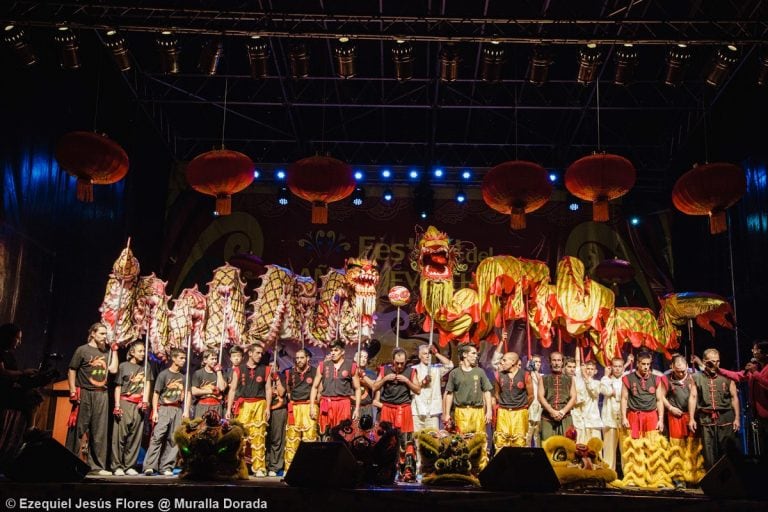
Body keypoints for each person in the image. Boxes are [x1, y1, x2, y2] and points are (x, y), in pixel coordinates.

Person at [65, 322, 119, 476]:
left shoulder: (107, 352)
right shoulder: (82, 350)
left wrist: (114, 351)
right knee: (78, 429)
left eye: (105, 333)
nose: (104, 336)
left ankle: (96, 467)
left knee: (99, 430)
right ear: (93, 334)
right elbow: (72, 370)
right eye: (101, 333)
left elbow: (113, 369)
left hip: (101, 394)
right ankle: (70, 464)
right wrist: (72, 390)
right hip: (85, 393)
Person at [372, 347, 421, 481]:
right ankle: (384, 471)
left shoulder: (411, 372)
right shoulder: (384, 370)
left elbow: (418, 390)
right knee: (385, 441)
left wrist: (407, 381)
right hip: (387, 409)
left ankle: (407, 473)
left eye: (402, 363)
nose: (400, 365)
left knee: (406, 441)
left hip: (403, 409)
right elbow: (374, 387)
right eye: (397, 363)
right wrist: (385, 379)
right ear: (393, 360)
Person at [443, 343, 493, 469]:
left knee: (480, 440)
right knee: (462, 441)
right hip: (461, 411)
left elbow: (487, 391)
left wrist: (489, 411)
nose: (476, 356)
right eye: (473, 353)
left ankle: (481, 469)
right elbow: (449, 394)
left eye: (476, 354)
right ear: (465, 355)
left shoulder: (479, 372)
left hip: (477, 411)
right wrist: (447, 414)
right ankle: (463, 468)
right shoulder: (455, 373)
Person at [690, 348, 741, 470]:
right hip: (706, 418)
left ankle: (731, 482)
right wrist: (691, 418)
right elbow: (693, 397)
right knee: (709, 452)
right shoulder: (696, 377)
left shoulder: (727, 376)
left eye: (717, 361)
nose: (715, 364)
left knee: (727, 450)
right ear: (704, 361)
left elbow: (734, 398)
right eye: (711, 362)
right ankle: (713, 483)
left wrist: (737, 418)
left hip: (726, 417)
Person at [0, 323, 42, 471]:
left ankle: (29, 428)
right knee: (29, 396)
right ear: (8, 337)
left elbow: (15, 377)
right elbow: (3, 373)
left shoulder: (9, 355)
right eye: (17, 338)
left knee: (33, 394)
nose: (19, 342)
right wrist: (23, 373)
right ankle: (29, 429)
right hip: (2, 393)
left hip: (9, 390)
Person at [226, 342, 272, 477]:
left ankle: (259, 468)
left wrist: (268, 408)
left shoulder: (266, 369)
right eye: (257, 352)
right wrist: (229, 409)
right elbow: (233, 389)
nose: (260, 355)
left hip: (259, 404)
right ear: (250, 353)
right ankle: (240, 468)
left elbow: (268, 389)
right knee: (242, 436)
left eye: (261, 353)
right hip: (244, 405)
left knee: (259, 436)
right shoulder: (238, 369)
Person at [717, 340, 768, 456]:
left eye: (755, 350)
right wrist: (717, 370)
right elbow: (737, 376)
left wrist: (755, 373)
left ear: (765, 353)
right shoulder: (756, 369)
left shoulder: (757, 371)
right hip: (759, 416)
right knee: (763, 448)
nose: (753, 352)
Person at [143, 347, 188, 476]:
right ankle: (150, 466)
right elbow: (156, 394)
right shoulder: (164, 374)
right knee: (157, 436)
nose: (183, 360)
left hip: (177, 409)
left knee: (173, 439)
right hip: (164, 408)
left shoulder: (183, 377)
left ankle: (166, 466)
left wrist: (184, 410)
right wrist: (155, 411)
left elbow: (186, 394)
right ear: (173, 359)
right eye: (181, 358)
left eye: (184, 358)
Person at [111, 340, 152, 476]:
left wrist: (145, 400)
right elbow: (118, 386)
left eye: (144, 351)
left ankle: (129, 465)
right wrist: (117, 405)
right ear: (132, 352)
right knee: (120, 436)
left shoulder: (146, 367)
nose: (142, 353)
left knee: (135, 436)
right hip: (125, 402)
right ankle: (117, 466)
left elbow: (147, 385)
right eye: (140, 351)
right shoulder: (123, 366)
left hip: (139, 405)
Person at [662, 354, 703, 488]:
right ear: (672, 367)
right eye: (677, 370)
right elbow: (661, 396)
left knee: (693, 446)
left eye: (683, 370)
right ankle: (679, 478)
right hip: (675, 417)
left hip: (691, 417)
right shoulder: (667, 379)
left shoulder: (693, 378)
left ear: (686, 366)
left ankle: (694, 476)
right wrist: (670, 408)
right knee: (677, 448)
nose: (680, 373)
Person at [309, 339, 361, 440]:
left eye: (336, 350)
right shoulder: (322, 366)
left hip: (343, 404)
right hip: (326, 403)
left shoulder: (351, 366)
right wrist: (312, 406)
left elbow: (358, 389)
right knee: (324, 434)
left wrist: (357, 409)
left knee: (343, 434)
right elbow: (314, 387)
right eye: (331, 350)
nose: (332, 352)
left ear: (342, 352)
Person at [284, 348, 318, 472]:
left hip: (309, 406)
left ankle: (309, 470)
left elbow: (319, 389)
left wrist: (314, 406)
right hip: (295, 407)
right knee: (292, 439)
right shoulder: (290, 373)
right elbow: (288, 390)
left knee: (309, 439)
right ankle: (290, 470)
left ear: (308, 358)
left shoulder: (315, 371)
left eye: (301, 357)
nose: (299, 360)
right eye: (297, 358)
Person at [492, 351, 533, 450]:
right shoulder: (498, 375)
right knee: (501, 441)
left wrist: (521, 406)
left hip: (520, 412)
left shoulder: (525, 375)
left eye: (505, 360)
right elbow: (497, 394)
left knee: (519, 441)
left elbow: (531, 396)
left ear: (513, 362)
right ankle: (502, 464)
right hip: (503, 412)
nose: (502, 362)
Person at [411, 343, 453, 432]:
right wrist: (423, 382)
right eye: (425, 354)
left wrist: (436, 353)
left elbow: (449, 365)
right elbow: (411, 389)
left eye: (429, 353)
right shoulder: (413, 369)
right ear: (419, 355)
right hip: (417, 410)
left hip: (432, 411)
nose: (427, 356)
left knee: (433, 440)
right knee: (417, 439)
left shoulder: (436, 369)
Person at [600, 355, 631, 471]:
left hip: (625, 419)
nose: (617, 369)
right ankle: (609, 475)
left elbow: (623, 395)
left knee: (626, 450)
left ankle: (628, 475)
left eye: (620, 366)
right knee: (609, 451)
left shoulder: (627, 379)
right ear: (611, 367)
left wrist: (615, 392)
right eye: (615, 366)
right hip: (609, 419)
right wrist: (605, 375)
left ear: (623, 368)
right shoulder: (605, 380)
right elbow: (606, 391)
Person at [538, 351, 576, 441]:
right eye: (554, 360)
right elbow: (540, 397)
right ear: (550, 362)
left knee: (567, 445)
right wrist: (551, 411)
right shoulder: (543, 378)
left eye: (559, 360)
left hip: (565, 416)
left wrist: (562, 412)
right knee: (547, 445)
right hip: (547, 417)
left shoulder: (570, 379)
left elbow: (573, 398)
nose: (556, 363)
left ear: (562, 362)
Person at [572, 356, 603, 444]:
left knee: (594, 450)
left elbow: (594, 391)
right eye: (587, 369)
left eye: (591, 369)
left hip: (593, 421)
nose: (589, 371)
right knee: (580, 447)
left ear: (595, 371)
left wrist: (585, 375)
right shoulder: (578, 382)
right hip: (580, 421)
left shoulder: (597, 383)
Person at [266, 356, 287, 477]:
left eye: (275, 366)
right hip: (265, 409)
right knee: (266, 438)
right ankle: (266, 464)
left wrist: (277, 379)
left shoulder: (283, 376)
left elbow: (282, 392)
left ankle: (275, 466)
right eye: (270, 366)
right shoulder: (265, 376)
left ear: (278, 368)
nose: (272, 368)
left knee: (277, 439)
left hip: (279, 410)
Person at [190, 349, 226, 418]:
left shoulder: (220, 373)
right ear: (205, 360)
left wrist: (218, 372)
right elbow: (194, 391)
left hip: (216, 405)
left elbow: (222, 388)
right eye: (212, 359)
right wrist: (210, 391)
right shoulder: (198, 373)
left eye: (216, 359)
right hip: (202, 405)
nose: (215, 361)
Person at [526, 354, 543, 447]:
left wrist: (535, 371)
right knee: (528, 432)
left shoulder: (542, 376)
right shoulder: (527, 376)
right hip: (530, 405)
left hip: (539, 406)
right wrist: (529, 371)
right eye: (535, 361)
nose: (538, 363)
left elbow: (540, 382)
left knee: (537, 433)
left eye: (539, 362)